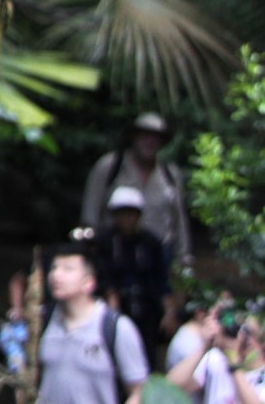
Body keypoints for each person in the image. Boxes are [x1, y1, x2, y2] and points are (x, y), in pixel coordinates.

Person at [38, 242, 149, 404]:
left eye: (67, 269)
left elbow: (139, 390)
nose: (56, 275)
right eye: (54, 268)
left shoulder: (115, 327)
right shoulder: (43, 322)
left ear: (89, 283)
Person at [83, 113, 193, 264]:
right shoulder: (109, 166)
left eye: (156, 137)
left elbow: (179, 218)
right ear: (133, 137)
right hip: (116, 250)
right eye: (145, 136)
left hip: (160, 252)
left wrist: (184, 255)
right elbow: (91, 211)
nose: (150, 142)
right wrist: (90, 249)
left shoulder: (170, 173)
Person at [95, 186, 176, 364]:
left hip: (146, 309)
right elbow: (100, 274)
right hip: (115, 307)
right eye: (122, 213)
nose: (127, 219)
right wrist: (110, 296)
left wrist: (168, 311)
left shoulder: (150, 242)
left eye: (131, 213)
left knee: (146, 355)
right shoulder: (104, 242)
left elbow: (162, 278)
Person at [166, 301, 264, 404]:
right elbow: (169, 388)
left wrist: (234, 365)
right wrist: (204, 347)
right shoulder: (216, 359)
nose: (245, 338)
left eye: (250, 332)